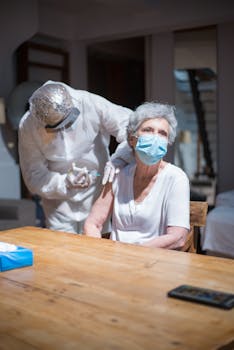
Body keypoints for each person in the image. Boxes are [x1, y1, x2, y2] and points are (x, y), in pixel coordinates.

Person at [18, 80, 132, 233]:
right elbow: (33, 175)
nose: (63, 131)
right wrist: (64, 183)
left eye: (68, 124)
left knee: (98, 248)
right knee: (61, 251)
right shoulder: (28, 126)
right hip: (58, 203)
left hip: (97, 194)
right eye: (57, 128)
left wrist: (120, 158)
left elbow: (130, 126)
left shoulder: (89, 102)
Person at [84, 102, 190, 249]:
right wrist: (99, 253)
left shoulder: (176, 178)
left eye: (162, 133)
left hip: (153, 262)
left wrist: (135, 255)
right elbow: (92, 224)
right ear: (132, 140)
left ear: (167, 143)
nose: (155, 137)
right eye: (148, 130)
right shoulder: (119, 175)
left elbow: (178, 238)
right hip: (114, 262)